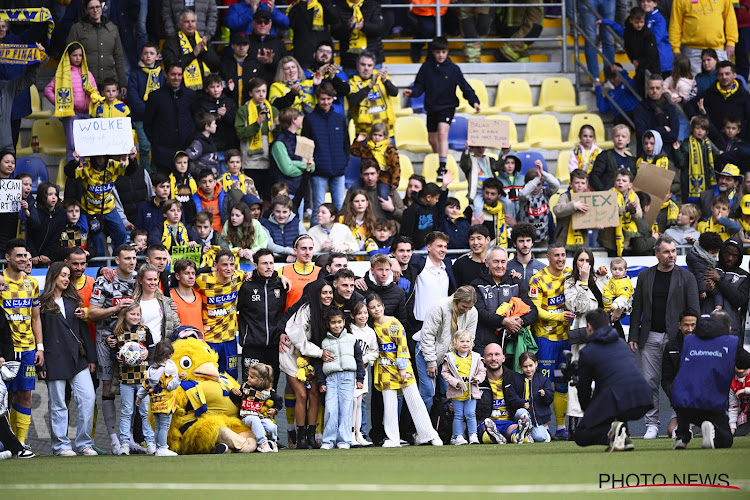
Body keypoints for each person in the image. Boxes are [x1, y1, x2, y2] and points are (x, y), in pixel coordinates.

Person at [629, 235, 701, 439]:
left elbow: (693, 310)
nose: (672, 255)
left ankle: (680, 419)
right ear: (657, 254)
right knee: (650, 381)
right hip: (650, 336)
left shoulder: (687, 277)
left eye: (674, 251)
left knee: (679, 382)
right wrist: (633, 334)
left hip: (678, 339)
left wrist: (691, 337)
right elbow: (637, 308)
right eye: (667, 251)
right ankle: (651, 424)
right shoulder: (645, 276)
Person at [366, 293, 443, 447]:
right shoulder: (371, 327)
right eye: (372, 307)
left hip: (401, 367)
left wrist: (401, 368)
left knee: (414, 399)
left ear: (383, 306)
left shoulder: (393, 323)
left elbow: (402, 345)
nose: (376, 310)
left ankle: (429, 434)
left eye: (378, 306)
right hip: (384, 369)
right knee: (389, 403)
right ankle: (393, 438)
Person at [38, 263, 97, 456]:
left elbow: (83, 332)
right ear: (53, 276)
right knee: (58, 405)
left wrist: (91, 358)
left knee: (88, 398)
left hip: (78, 358)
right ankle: (61, 446)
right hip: (53, 359)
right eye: (63, 275)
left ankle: (83, 443)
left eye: (68, 276)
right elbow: (40, 335)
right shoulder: (42, 304)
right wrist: (42, 365)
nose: (66, 279)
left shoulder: (73, 301)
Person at [574, 309, 652, 451]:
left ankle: (614, 433)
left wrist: (588, 411)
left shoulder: (588, 351)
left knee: (581, 434)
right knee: (615, 404)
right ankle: (623, 435)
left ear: (589, 327)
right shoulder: (622, 344)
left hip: (618, 399)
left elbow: (583, 389)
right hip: (644, 399)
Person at [403, 36, 480, 178]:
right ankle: (439, 158)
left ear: (447, 52)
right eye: (438, 52)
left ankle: (442, 167)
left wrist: (474, 101)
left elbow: (465, 87)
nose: (441, 55)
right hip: (432, 107)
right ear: (433, 52)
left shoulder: (454, 69)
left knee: (442, 132)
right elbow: (419, 85)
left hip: (448, 106)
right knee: (432, 138)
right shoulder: (426, 68)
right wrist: (412, 92)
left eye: (443, 52)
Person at [88, 244, 137, 455]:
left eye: (134, 258)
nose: (132, 262)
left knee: (134, 387)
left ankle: (130, 439)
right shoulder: (104, 280)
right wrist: (115, 309)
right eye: (127, 258)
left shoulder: (139, 280)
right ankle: (114, 439)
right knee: (107, 387)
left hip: (134, 342)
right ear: (117, 260)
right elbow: (91, 312)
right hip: (106, 341)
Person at [528, 243, 576, 439]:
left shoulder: (570, 275)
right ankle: (544, 427)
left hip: (565, 340)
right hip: (546, 340)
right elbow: (536, 311)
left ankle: (561, 428)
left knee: (562, 381)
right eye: (556, 255)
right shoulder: (537, 279)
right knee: (544, 384)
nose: (560, 259)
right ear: (548, 257)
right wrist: (559, 317)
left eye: (563, 255)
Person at [672, 315, 739, 449]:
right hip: (712, 402)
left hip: (683, 401)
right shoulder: (731, 342)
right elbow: (744, 362)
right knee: (726, 441)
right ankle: (713, 432)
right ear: (728, 328)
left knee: (685, 402)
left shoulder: (689, 340)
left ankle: (682, 437)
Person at [278, 280, 331, 449]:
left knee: (314, 394)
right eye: (324, 293)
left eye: (330, 292)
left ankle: (311, 437)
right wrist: (321, 353)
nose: (328, 296)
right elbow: (299, 341)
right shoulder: (305, 310)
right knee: (301, 395)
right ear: (316, 294)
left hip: (311, 357)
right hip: (292, 355)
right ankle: (300, 438)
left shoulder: (328, 311)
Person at [563, 247, 609, 439]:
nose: (584, 264)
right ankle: (574, 423)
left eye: (587, 260)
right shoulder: (570, 283)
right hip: (582, 334)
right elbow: (578, 307)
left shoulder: (601, 279)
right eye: (580, 260)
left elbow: (607, 302)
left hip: (603, 334)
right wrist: (582, 282)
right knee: (577, 379)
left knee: (601, 379)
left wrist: (600, 278)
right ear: (575, 263)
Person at [0, 239, 42, 448]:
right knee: (4, 397)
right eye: (19, 255)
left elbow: (36, 317)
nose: (24, 259)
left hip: (27, 347)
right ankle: (6, 442)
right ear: (8, 258)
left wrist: (40, 347)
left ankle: (21, 443)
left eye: (26, 255)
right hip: (6, 350)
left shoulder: (31, 283)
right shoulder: (0, 282)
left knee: (25, 394)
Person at [416, 286, 478, 415]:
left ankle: (445, 428)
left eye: (469, 308)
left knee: (449, 392)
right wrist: (431, 362)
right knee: (428, 392)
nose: (466, 311)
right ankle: (421, 429)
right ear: (456, 300)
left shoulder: (473, 313)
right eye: (464, 307)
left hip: (451, 358)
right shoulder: (440, 307)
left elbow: (469, 338)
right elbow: (427, 335)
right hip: (427, 352)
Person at [194, 249, 249, 380]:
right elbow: (180, 283)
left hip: (229, 339)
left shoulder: (238, 277)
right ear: (215, 265)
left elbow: (259, 274)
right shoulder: (202, 280)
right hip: (209, 340)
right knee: (209, 378)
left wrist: (281, 276)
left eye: (232, 264)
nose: (229, 268)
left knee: (232, 378)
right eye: (224, 264)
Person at [238, 248, 287, 389]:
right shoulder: (246, 286)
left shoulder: (281, 285)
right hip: (252, 346)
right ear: (255, 265)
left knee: (271, 388)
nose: (269, 267)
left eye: (271, 263)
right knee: (250, 388)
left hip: (274, 346)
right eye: (264, 263)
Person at [45, 42, 103, 161]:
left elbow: (95, 91)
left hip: (88, 114)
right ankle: (73, 177)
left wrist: (95, 96)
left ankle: (86, 177)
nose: (78, 58)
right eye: (74, 55)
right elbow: (47, 90)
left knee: (89, 147)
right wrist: (60, 104)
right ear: (68, 56)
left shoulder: (87, 73)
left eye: (80, 55)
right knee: (73, 146)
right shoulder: (62, 74)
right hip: (72, 115)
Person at [111, 302, 155, 455]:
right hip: (126, 380)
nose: (136, 317)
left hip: (143, 379)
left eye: (138, 314)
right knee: (126, 411)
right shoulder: (117, 332)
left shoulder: (145, 331)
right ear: (124, 315)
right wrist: (117, 357)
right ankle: (124, 444)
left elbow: (153, 349)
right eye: (132, 314)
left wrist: (147, 354)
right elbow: (112, 352)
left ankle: (150, 442)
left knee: (145, 411)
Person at [317, 308, 365, 449]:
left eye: (339, 322)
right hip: (331, 378)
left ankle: (344, 441)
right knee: (331, 409)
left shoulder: (351, 339)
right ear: (328, 324)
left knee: (346, 409)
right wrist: (321, 382)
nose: (337, 325)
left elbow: (359, 359)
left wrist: (360, 379)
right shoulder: (324, 342)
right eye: (333, 323)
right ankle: (328, 441)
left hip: (348, 378)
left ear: (344, 322)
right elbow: (319, 364)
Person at [302, 83, 350, 223]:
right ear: (317, 99)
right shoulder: (309, 119)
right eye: (323, 99)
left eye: (329, 98)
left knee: (340, 207)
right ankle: (313, 242)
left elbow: (346, 144)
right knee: (319, 208)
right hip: (318, 171)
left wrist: (343, 161)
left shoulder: (339, 118)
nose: (326, 102)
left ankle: (340, 239)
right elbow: (305, 146)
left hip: (338, 170)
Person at [143, 64, 197, 171]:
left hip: (186, 149)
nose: (176, 78)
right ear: (166, 74)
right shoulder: (155, 96)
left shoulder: (190, 95)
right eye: (173, 74)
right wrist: (155, 141)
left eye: (179, 75)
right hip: (163, 152)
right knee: (164, 185)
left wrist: (191, 139)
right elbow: (147, 122)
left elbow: (196, 119)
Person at [475, 343, 531, 444]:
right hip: (487, 422)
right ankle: (493, 435)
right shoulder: (477, 380)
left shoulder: (515, 378)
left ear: (503, 358)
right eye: (489, 355)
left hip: (509, 421)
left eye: (497, 354)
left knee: (515, 432)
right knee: (485, 433)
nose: (493, 358)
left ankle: (518, 435)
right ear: (483, 359)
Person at [67, 0, 126, 95]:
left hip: (109, 82)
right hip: (86, 82)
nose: (95, 10)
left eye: (98, 7)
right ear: (86, 10)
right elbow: (68, 57)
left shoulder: (112, 28)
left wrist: (122, 83)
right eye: (91, 8)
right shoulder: (77, 29)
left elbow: (118, 57)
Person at [687, 61, 750, 150]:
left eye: (727, 74)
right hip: (715, 142)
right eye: (721, 74)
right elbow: (690, 104)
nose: (724, 77)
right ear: (717, 76)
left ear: (734, 75)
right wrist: (692, 116)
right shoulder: (711, 93)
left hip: (739, 143)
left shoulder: (744, 95)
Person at [136, 339, 180, 456]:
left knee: (158, 427)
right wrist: (179, 379)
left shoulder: (150, 371)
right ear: (169, 355)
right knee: (164, 427)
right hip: (166, 404)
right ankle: (162, 448)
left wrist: (139, 398)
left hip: (154, 404)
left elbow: (144, 387)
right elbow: (170, 386)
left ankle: (158, 446)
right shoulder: (166, 371)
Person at [669, 0, 738, 75]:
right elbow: (675, 25)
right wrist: (675, 49)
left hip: (718, 49)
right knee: (696, 83)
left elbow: (730, 20)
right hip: (693, 51)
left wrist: (731, 42)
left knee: (723, 80)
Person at [441, 330, 486, 445]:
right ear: (455, 343)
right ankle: (458, 436)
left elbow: (482, 371)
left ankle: (473, 435)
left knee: (471, 414)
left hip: (471, 392)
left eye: (467, 341)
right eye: (462, 341)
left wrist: (478, 379)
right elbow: (445, 373)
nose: (465, 344)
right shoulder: (450, 358)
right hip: (457, 392)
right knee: (458, 415)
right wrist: (455, 382)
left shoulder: (475, 357)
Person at [661, 308, 699, 438]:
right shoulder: (671, 346)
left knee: (716, 431)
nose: (690, 329)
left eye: (693, 325)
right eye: (686, 325)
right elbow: (666, 379)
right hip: (681, 400)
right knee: (672, 431)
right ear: (679, 325)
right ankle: (687, 425)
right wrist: (676, 397)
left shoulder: (707, 344)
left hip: (705, 399)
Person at [161, 10, 220, 92]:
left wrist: (203, 52)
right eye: (186, 22)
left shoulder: (202, 40)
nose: (190, 25)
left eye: (193, 21)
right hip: (181, 91)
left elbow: (216, 65)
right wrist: (193, 54)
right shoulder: (170, 43)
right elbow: (171, 67)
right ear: (179, 24)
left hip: (206, 91)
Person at [128, 42, 163, 174]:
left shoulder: (161, 74)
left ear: (157, 56)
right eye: (145, 53)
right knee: (144, 146)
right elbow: (133, 96)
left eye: (151, 53)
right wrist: (148, 112)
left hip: (158, 118)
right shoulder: (135, 74)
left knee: (157, 147)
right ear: (141, 56)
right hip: (141, 117)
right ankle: (145, 174)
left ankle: (155, 175)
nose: (148, 56)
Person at [229, 362, 279, 453]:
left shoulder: (268, 391)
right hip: (246, 416)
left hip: (261, 416)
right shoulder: (245, 387)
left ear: (260, 380)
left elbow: (279, 401)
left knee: (271, 426)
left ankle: (272, 442)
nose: (248, 378)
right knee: (254, 420)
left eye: (252, 377)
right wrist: (234, 392)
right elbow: (236, 400)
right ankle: (262, 443)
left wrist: (275, 410)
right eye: (248, 376)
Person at [347, 51, 397, 138]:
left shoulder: (382, 78)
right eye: (363, 65)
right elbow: (352, 101)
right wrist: (370, 85)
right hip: (364, 135)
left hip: (386, 133)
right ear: (357, 66)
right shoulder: (352, 82)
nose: (366, 68)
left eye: (369, 65)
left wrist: (385, 81)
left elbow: (395, 93)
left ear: (373, 67)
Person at [349, 302, 378, 446]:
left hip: (363, 372)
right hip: (349, 372)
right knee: (352, 402)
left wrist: (363, 361)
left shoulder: (370, 332)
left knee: (359, 402)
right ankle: (350, 433)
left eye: (365, 313)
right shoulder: (349, 331)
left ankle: (359, 434)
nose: (363, 316)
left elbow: (375, 352)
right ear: (352, 315)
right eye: (359, 313)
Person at [332, 0, 386, 77]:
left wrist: (364, 26)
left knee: (376, 87)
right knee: (350, 88)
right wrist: (347, 26)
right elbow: (335, 33)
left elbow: (379, 29)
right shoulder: (339, 7)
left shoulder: (373, 5)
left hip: (373, 61)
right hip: (350, 61)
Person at [350, 123, 400, 202]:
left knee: (383, 195)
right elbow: (354, 152)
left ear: (385, 136)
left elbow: (396, 167)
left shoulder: (390, 150)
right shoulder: (367, 148)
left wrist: (395, 182)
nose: (377, 137)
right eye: (375, 134)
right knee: (354, 188)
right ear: (371, 135)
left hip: (384, 177)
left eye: (380, 135)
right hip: (367, 176)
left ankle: (386, 214)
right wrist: (358, 141)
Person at [240, 10, 288, 93]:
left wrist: (271, 62)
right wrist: (256, 61)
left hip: (273, 86)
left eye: (266, 22)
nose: (262, 25)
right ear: (253, 23)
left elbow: (285, 65)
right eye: (259, 22)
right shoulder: (246, 41)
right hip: (251, 87)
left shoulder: (278, 43)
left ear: (270, 24)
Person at [133, 264, 181, 345]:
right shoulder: (133, 303)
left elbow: (177, 326)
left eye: (155, 279)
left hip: (163, 350)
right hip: (142, 351)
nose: (153, 283)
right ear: (140, 280)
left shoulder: (166, 302)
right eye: (149, 279)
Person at [518, 162, 560, 245]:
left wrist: (543, 173)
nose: (535, 187)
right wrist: (537, 179)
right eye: (533, 185)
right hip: (526, 240)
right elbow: (522, 194)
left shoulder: (545, 193)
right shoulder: (525, 196)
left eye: (538, 184)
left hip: (543, 239)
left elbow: (556, 185)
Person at [281, 235, 321, 310]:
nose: (307, 252)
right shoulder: (282, 271)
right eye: (303, 248)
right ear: (295, 251)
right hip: (289, 318)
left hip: (314, 318)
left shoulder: (321, 272)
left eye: (310, 249)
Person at [170, 259, 203, 331]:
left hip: (200, 341)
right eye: (187, 273)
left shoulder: (200, 295)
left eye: (193, 273)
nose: (191, 277)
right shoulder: (170, 297)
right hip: (180, 341)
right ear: (177, 276)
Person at [728, 350, 750, 436]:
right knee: (738, 434)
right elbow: (733, 407)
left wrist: (745, 390)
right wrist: (732, 427)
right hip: (746, 414)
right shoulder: (732, 383)